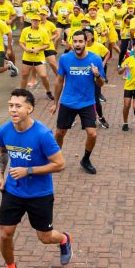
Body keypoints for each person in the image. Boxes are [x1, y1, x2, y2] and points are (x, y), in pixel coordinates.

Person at [0, 89, 72, 268]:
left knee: (45, 237)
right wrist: (1, 177)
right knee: (5, 234)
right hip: (13, 190)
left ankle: (64, 239)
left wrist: (28, 170)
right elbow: (2, 153)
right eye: (11, 105)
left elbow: (60, 164)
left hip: (40, 194)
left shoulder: (42, 134)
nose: (13, 109)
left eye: (18, 106)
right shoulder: (4, 131)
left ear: (30, 109)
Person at [49, 30, 106, 174]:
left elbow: (101, 84)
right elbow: (59, 81)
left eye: (80, 41)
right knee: (60, 132)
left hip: (87, 102)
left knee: (92, 134)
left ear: (86, 42)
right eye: (75, 41)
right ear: (71, 42)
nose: (77, 44)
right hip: (68, 102)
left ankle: (85, 159)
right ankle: (56, 159)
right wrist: (55, 102)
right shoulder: (65, 58)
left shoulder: (96, 59)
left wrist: (97, 75)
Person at [18, 15, 53, 95]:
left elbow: (47, 44)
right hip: (27, 56)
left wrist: (39, 49)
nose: (35, 22)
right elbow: (21, 42)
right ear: (31, 21)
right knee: (24, 75)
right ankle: (22, 93)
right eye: (34, 20)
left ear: (39, 21)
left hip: (39, 57)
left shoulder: (43, 31)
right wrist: (25, 48)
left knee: (43, 75)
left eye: (37, 20)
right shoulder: (25, 30)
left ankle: (48, 91)